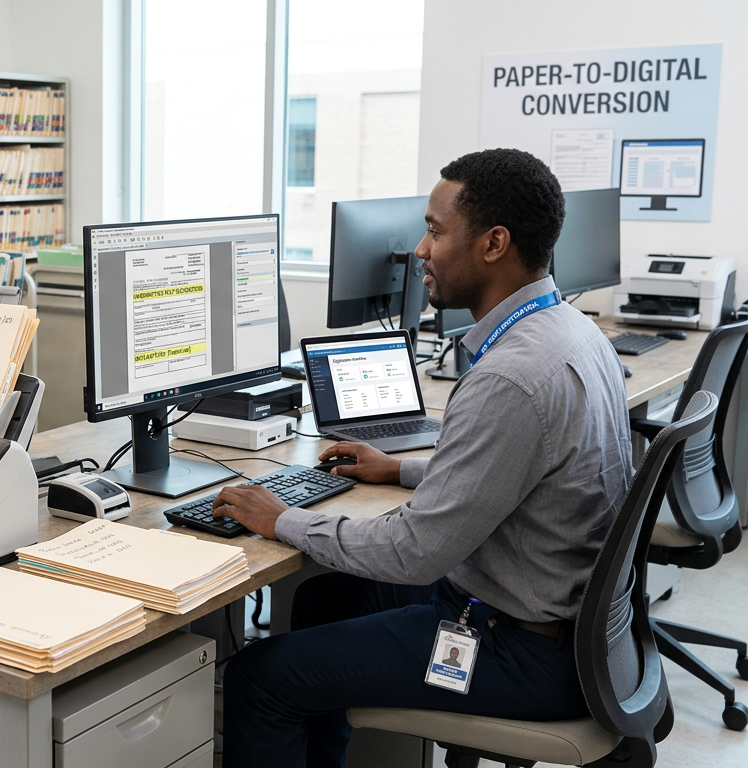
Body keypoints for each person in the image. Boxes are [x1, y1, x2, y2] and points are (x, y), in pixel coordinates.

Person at [213, 148, 633, 767]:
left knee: (260, 679)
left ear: (493, 243)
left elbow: (414, 552)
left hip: (519, 651)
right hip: (571, 634)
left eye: (435, 231)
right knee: (323, 602)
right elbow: (522, 469)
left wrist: (282, 519)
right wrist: (401, 468)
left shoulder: (510, 377)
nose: (419, 250)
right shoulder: (571, 331)